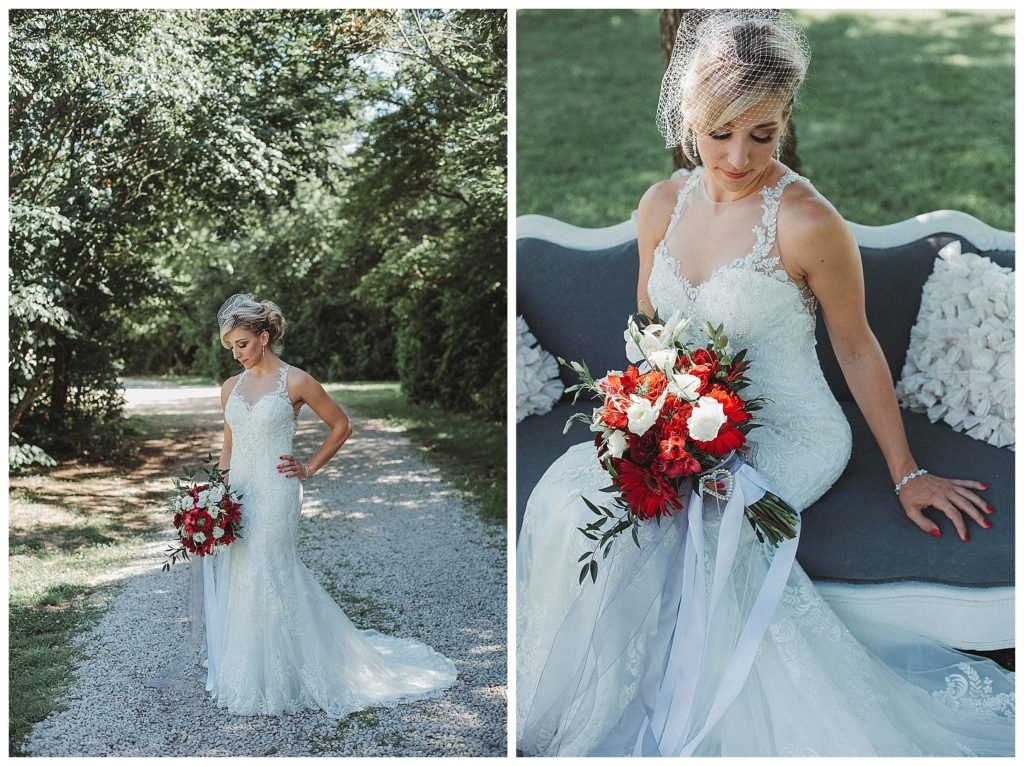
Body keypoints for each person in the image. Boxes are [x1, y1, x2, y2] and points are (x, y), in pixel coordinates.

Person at [516, 10, 1013, 757]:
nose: (740, 157)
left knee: (700, 535)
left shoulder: (807, 221)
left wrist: (908, 472)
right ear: (688, 115)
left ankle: (693, 722)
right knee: (574, 501)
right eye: (720, 133)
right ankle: (595, 701)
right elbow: (655, 336)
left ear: (784, 121)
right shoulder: (660, 206)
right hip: (684, 419)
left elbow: (857, 348)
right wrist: (648, 424)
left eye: (764, 133)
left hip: (791, 433)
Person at [200, 292, 457, 716]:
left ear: (263, 337)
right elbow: (228, 447)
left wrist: (310, 466)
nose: (237, 355)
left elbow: (342, 424)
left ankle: (286, 672)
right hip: (240, 493)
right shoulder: (231, 388)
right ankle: (251, 667)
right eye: (231, 348)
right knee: (245, 571)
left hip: (277, 491)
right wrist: (219, 497)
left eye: (241, 344)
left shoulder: (296, 381)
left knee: (271, 567)